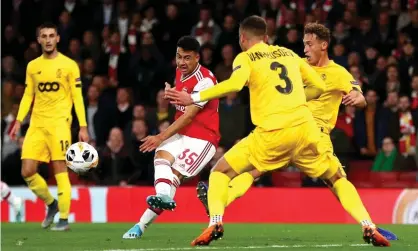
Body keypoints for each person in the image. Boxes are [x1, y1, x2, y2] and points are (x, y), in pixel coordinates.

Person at [166, 17, 390, 247]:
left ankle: (216, 217)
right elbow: (319, 88)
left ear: (243, 38)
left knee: (222, 171)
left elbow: (234, 85)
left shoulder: (335, 71)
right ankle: (368, 225)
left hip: (278, 132)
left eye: (309, 44)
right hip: (306, 132)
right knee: (335, 178)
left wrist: (193, 96)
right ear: (265, 37)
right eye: (304, 44)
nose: (305, 49)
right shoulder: (290, 55)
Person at [122, 36, 220, 239]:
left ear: (197, 58)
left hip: (202, 139)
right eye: (178, 57)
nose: (182, 62)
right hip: (182, 134)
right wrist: (173, 94)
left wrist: (160, 136)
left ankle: (141, 225)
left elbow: (189, 115)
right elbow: (183, 103)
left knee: (173, 174)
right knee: (160, 157)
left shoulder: (206, 81)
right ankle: (163, 197)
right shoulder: (179, 72)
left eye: (187, 58)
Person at [9, 22, 89, 231]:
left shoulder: (70, 65)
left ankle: (63, 219)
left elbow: (77, 97)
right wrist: (18, 120)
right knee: (27, 171)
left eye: (51, 35)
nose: (48, 39)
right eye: (43, 36)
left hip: (60, 124)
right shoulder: (33, 66)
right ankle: (51, 204)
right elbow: (28, 94)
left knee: (60, 169)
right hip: (36, 124)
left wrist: (83, 126)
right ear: (39, 40)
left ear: (58, 38)